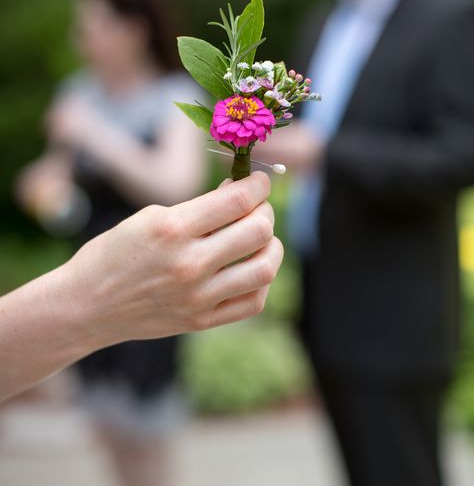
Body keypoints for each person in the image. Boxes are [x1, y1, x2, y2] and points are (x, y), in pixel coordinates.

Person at [256, 0, 474, 486]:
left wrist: (329, 153)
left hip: (400, 311)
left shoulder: (448, 16)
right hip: (331, 302)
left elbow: (459, 156)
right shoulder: (324, 19)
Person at [14, 0, 236, 486]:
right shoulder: (78, 91)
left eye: (92, 25)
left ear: (132, 30)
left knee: (146, 428)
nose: (81, 37)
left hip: (151, 283)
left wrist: (95, 134)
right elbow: (54, 170)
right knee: (107, 423)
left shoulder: (170, 94)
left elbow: (173, 185)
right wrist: (40, 181)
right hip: (84, 279)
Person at [1, 172, 281, 401]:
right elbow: (44, 174)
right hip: (99, 265)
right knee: (98, 408)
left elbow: (177, 183)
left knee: (144, 416)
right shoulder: (78, 106)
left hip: (154, 271)